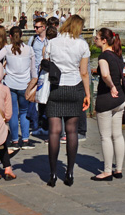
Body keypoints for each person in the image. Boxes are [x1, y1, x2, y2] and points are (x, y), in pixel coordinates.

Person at [44, 14, 90, 187]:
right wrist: (87, 95)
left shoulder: (52, 42)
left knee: (54, 131)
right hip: (74, 87)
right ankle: (69, 172)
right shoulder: (82, 44)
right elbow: (84, 72)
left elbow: (45, 62)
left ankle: (53, 174)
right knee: (71, 131)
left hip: (56, 88)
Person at [0, 26, 37, 153]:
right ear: (22, 35)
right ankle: (26, 140)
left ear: (9, 36)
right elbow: (33, 69)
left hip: (10, 84)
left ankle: (14, 141)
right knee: (24, 112)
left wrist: (4, 71)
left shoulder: (7, 49)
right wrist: (34, 80)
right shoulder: (29, 49)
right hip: (25, 85)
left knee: (12, 113)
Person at [92, 28, 125, 181]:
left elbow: (105, 74)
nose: (94, 39)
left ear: (104, 40)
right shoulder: (118, 55)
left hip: (107, 98)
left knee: (105, 137)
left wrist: (111, 86)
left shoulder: (103, 55)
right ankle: (118, 169)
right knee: (117, 135)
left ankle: (107, 171)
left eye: (97, 37)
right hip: (120, 99)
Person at [28, 17, 48, 137]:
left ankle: (44, 124)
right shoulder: (32, 40)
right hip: (34, 73)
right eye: (34, 27)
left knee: (44, 99)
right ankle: (35, 124)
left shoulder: (49, 40)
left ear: (44, 27)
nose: (35, 29)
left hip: (45, 74)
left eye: (37, 27)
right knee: (32, 99)